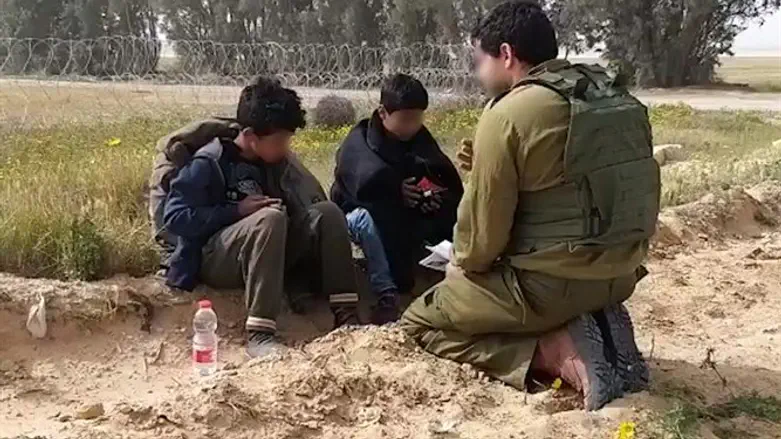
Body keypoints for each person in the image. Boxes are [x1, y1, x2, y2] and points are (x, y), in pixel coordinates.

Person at [400, 1, 660, 410]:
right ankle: (596, 322)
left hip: (551, 287)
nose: (477, 73)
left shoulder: (508, 114)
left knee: (419, 322)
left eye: (479, 61)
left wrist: (459, 267)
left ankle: (550, 351)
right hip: (622, 272)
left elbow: (480, 245)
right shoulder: (610, 97)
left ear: (506, 54)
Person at [158, 77, 361, 358]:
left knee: (328, 213)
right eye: (279, 141)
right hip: (215, 257)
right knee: (269, 219)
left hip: (268, 251)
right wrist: (236, 211)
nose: (285, 148)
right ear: (251, 136)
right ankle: (260, 334)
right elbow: (175, 218)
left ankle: (347, 316)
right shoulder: (209, 162)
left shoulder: (276, 164)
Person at [331, 74, 464, 324]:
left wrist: (431, 196)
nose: (411, 126)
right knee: (369, 220)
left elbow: (442, 177)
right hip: (366, 211)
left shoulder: (419, 139)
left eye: (417, 119)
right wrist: (395, 190)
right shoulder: (359, 140)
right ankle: (386, 294)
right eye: (405, 119)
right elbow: (362, 184)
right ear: (383, 113)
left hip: (408, 215)